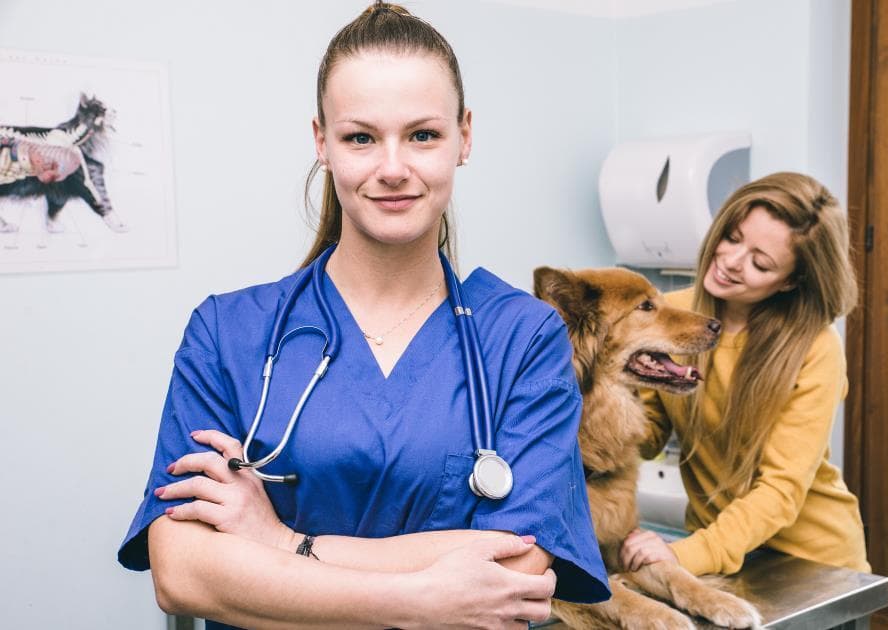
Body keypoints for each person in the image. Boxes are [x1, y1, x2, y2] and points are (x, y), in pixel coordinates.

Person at [117, 3, 609, 628]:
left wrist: (278, 545)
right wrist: (421, 600)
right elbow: (183, 570)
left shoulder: (524, 337)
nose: (394, 168)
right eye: (361, 137)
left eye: (423, 135)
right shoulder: (227, 333)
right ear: (322, 142)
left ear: (465, 136)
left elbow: (519, 570)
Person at [619, 172, 872, 578]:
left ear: (791, 281)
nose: (731, 262)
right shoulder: (672, 315)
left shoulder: (815, 348)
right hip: (721, 554)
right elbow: (646, 439)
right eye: (733, 238)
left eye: (759, 263)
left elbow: (781, 489)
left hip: (811, 562)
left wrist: (688, 554)